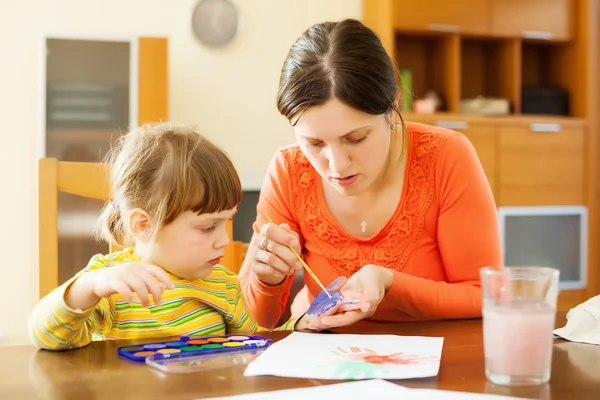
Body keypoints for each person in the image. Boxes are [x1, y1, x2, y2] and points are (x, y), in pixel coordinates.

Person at [238, 19, 502, 330]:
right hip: (324, 365)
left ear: (391, 109)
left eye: (356, 138)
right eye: (314, 143)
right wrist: (267, 279)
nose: (336, 165)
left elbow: (486, 295)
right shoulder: (288, 171)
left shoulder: (446, 156)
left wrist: (391, 283)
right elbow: (251, 324)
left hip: (436, 364)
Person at [29, 122, 332, 350]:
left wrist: (300, 325)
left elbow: (253, 345)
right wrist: (89, 287)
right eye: (207, 227)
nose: (224, 240)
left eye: (226, 222)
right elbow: (46, 336)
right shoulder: (112, 284)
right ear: (143, 226)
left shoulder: (224, 287)